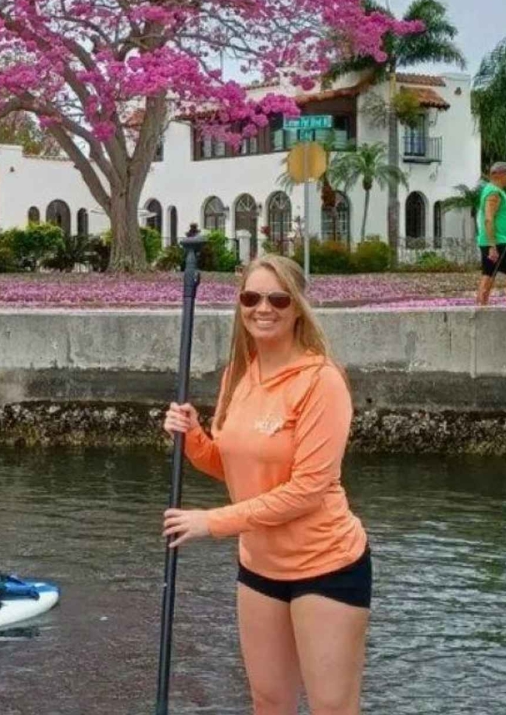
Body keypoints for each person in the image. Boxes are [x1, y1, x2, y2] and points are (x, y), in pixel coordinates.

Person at [163, 254, 369, 715]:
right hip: (259, 566)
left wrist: (212, 523)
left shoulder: (322, 382)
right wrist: (193, 435)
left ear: (297, 307)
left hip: (326, 564)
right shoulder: (237, 375)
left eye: (277, 298)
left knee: (331, 708)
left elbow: (307, 490)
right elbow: (232, 466)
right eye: (251, 297)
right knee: (269, 702)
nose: (263, 308)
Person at [475, 161, 506, 306]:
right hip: (498, 241)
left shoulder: (494, 191)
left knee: (488, 275)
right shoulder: (493, 192)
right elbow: (488, 218)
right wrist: (493, 245)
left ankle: (481, 308)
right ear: (497, 174)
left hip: (497, 241)